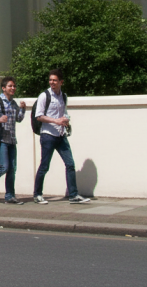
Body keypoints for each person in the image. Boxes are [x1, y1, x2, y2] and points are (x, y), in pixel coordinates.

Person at [33, 69, 90, 205]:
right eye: (50, 80)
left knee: (70, 164)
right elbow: (39, 116)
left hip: (61, 135)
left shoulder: (63, 96)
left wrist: (66, 119)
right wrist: (56, 121)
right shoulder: (44, 96)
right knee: (44, 166)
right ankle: (37, 195)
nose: (52, 82)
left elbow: (64, 112)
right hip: (48, 135)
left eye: (55, 80)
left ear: (61, 82)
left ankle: (73, 195)